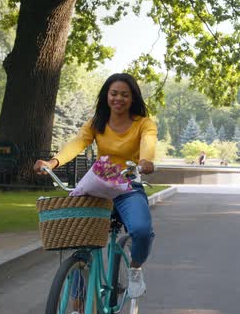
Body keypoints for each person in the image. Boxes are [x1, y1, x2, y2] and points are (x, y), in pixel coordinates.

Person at [34, 73, 157, 299]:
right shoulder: (97, 123)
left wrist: (145, 160)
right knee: (77, 238)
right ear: (106, 96)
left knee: (141, 231)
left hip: (127, 186)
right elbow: (77, 143)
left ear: (133, 98)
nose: (118, 98)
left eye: (124, 95)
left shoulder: (143, 124)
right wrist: (53, 162)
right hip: (98, 187)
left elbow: (148, 142)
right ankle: (78, 300)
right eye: (114, 93)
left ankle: (136, 269)